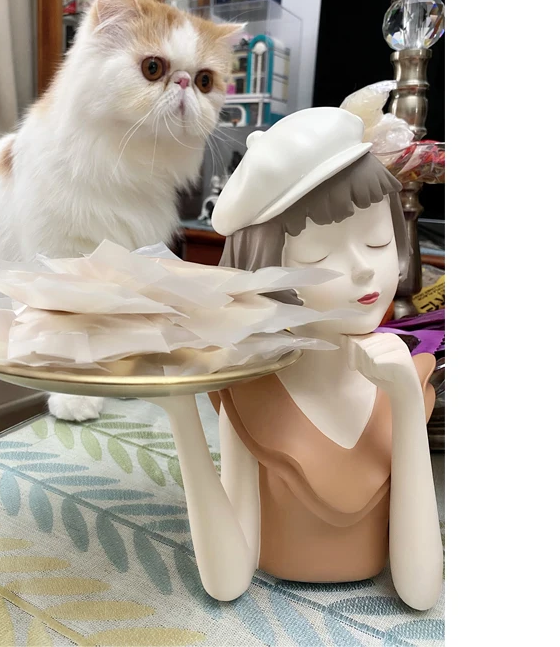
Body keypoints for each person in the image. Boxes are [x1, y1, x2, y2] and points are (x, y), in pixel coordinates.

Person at [152, 108, 442, 610]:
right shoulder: (248, 392)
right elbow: (227, 582)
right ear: (266, 271)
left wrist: (405, 402)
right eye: (319, 255)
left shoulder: (404, 380)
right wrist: (180, 411)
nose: (363, 270)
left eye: (378, 240)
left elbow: (420, 591)